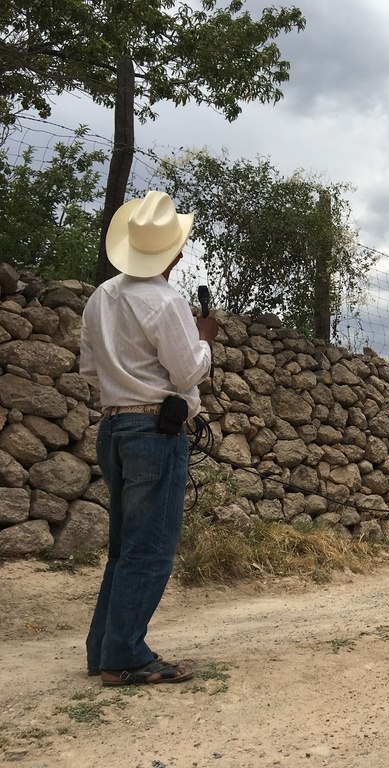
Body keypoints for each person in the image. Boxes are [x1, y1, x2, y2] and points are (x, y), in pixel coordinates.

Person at [80, 191, 219, 685]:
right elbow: (186, 372)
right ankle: (125, 656)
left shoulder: (102, 297)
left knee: (125, 545)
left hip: (114, 425)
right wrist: (204, 338)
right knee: (152, 546)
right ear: (175, 253)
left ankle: (105, 648)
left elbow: (91, 368)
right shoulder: (164, 301)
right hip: (154, 432)